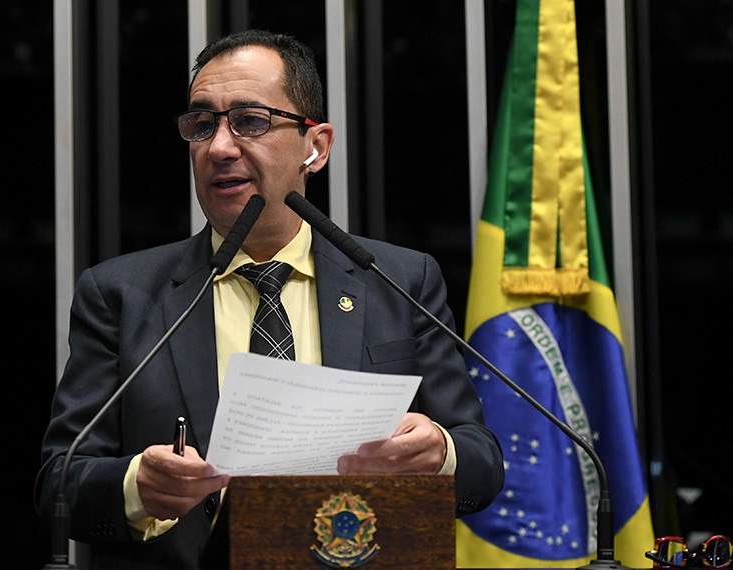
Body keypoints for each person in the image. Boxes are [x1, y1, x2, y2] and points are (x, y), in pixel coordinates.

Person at [35, 29, 504, 569]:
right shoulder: (123, 295)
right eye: (202, 124)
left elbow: (483, 465)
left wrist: (440, 454)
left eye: (250, 122)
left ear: (317, 146)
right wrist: (137, 485)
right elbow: (59, 482)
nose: (219, 148)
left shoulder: (398, 280)